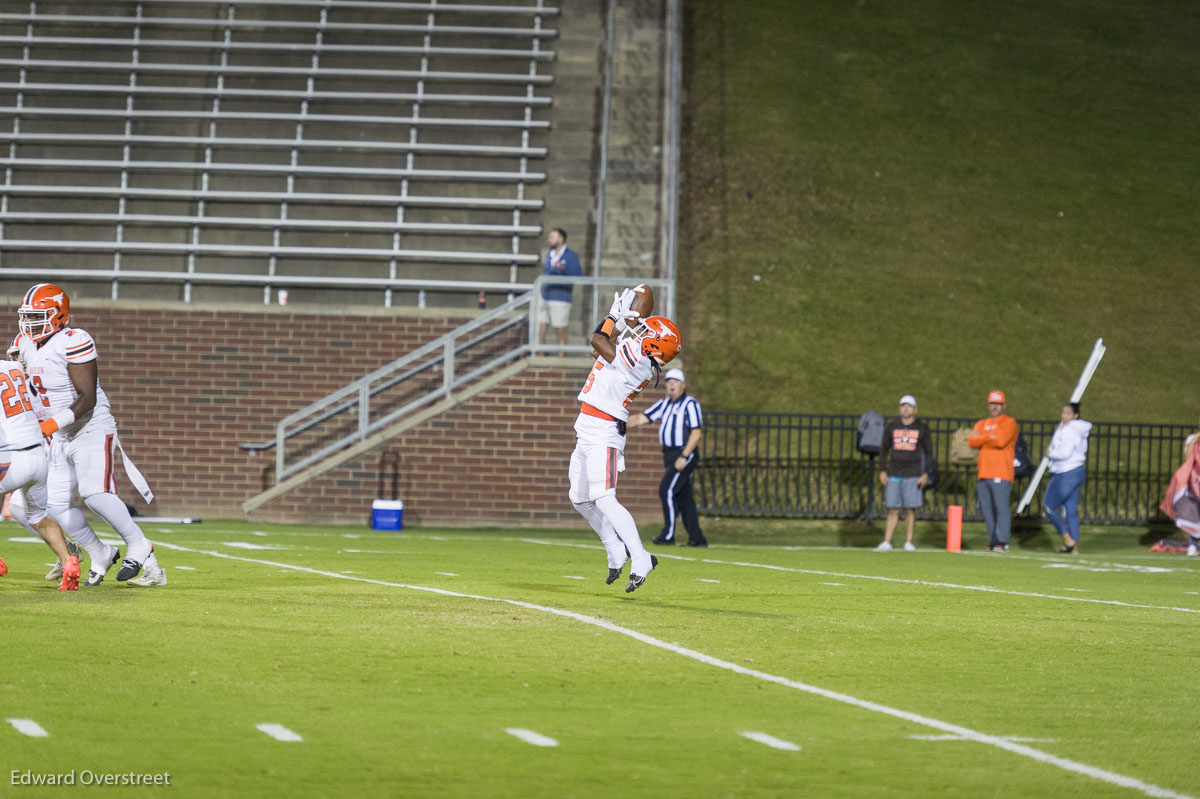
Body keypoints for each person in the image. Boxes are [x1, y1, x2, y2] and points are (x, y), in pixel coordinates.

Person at [17, 283, 165, 587]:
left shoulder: (74, 339)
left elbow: (87, 399)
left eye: (38, 316)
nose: (30, 323)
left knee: (94, 493)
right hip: (59, 436)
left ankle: (138, 545)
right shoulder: (24, 343)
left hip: (89, 426)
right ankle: (100, 553)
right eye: (27, 316)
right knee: (55, 506)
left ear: (59, 316)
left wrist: (48, 426)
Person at [569, 289, 681, 592]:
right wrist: (618, 320)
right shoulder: (638, 350)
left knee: (604, 497)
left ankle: (641, 556)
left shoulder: (639, 362)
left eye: (648, 331)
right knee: (579, 498)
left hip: (604, 430)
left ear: (655, 343)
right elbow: (601, 347)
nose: (641, 329)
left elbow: (598, 343)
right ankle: (615, 549)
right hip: (589, 425)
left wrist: (612, 316)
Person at [0, 352, 80, 590]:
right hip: (37, 453)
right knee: (37, 516)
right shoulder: (13, 367)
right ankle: (69, 562)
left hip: (9, 455)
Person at [630, 367, 707, 548]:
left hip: (683, 453)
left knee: (666, 489)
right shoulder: (664, 404)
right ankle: (697, 539)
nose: (671, 385)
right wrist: (620, 423)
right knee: (684, 497)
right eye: (669, 382)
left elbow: (696, 433)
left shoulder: (690, 403)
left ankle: (668, 534)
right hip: (669, 454)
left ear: (682, 385)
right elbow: (643, 418)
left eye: (675, 382)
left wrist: (684, 455)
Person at [874, 395, 932, 552]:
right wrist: (882, 470)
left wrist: (925, 473)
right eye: (903, 405)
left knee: (910, 508)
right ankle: (887, 541)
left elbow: (928, 452)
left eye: (909, 405)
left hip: (913, 473)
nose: (906, 408)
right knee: (892, 508)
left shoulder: (922, 428)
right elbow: (884, 449)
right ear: (900, 408)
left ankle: (908, 541)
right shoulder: (892, 427)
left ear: (915, 409)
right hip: (895, 472)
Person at [969, 390, 1019, 552]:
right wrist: (989, 436)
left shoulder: (1009, 422)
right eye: (992, 403)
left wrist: (983, 438)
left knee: (1001, 508)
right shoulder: (981, 423)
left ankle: (1002, 542)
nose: (995, 407)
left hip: (1002, 472)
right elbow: (972, 441)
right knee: (988, 510)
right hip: (983, 472)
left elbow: (1001, 441)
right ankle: (993, 541)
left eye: (998, 404)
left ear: (1003, 406)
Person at [1043, 402, 1091, 553]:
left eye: (1068, 413)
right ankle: (1074, 547)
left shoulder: (1069, 430)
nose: (1064, 416)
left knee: (1048, 507)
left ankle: (1067, 540)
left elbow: (1064, 453)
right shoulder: (1077, 430)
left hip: (1066, 472)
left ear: (1075, 415)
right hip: (1078, 471)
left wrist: (1050, 453)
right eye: (1063, 412)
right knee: (1070, 510)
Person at [538, 228, 582, 351]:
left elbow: (577, 275)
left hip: (560, 297)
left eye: (552, 237)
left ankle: (561, 358)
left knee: (560, 330)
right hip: (545, 294)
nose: (549, 240)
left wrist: (562, 269)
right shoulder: (549, 254)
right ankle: (539, 357)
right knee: (540, 328)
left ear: (561, 239)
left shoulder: (571, 255)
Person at [1161, 431, 1200, 556]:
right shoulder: (1193, 439)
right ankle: (1193, 544)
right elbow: (1188, 457)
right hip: (1195, 479)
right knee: (1194, 513)